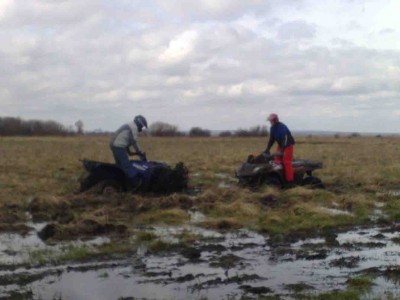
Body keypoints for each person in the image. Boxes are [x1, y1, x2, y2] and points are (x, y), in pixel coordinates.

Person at [109, 115, 148, 183]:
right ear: (139, 123)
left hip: (115, 145)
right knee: (127, 166)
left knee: (119, 166)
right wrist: (140, 152)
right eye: (142, 126)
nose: (141, 129)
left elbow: (125, 139)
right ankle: (135, 183)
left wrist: (131, 152)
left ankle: (119, 182)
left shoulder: (130, 125)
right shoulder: (134, 127)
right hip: (119, 146)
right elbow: (134, 142)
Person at [264, 113, 295, 183]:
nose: (270, 122)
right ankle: (280, 176)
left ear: (275, 120)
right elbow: (271, 140)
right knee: (276, 160)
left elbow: (285, 138)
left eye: (271, 121)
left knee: (287, 161)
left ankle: (290, 181)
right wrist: (267, 149)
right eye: (269, 121)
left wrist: (282, 150)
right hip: (281, 145)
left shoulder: (282, 127)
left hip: (288, 145)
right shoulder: (272, 128)